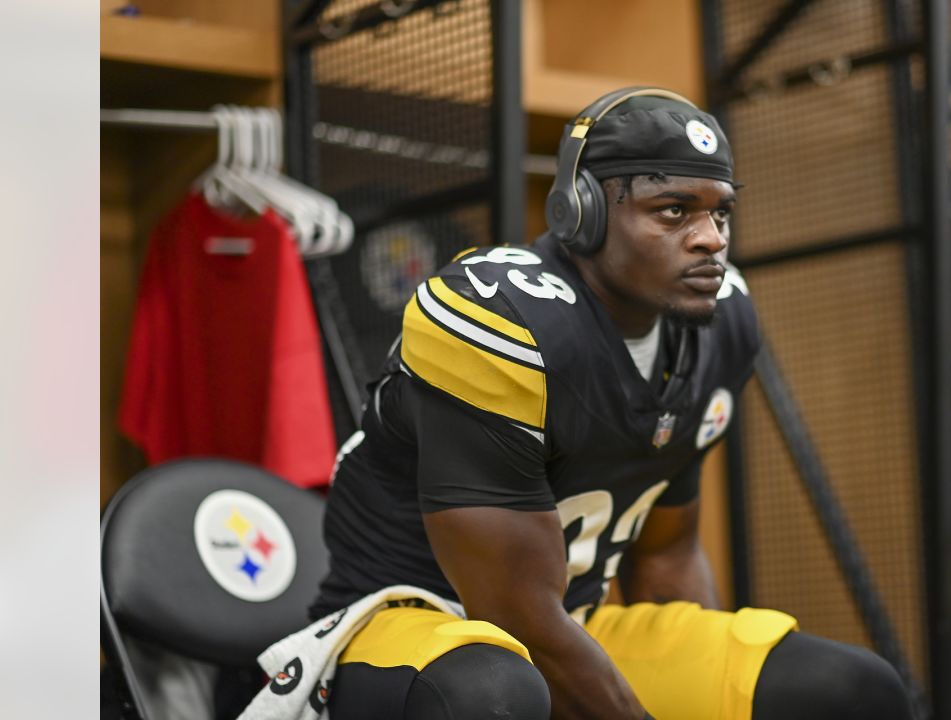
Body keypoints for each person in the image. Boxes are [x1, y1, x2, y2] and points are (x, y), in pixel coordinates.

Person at [309, 88, 911, 719]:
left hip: (572, 625)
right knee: (493, 692)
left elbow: (666, 554)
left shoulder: (720, 321)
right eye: (675, 211)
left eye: (720, 214)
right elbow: (512, 613)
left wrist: (709, 691)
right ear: (582, 212)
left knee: (850, 690)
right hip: (406, 635)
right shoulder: (500, 317)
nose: (711, 239)